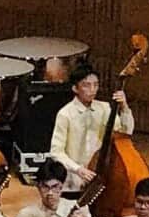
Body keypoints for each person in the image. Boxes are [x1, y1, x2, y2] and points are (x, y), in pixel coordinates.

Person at [49, 64, 134, 193]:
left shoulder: (104, 108)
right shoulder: (65, 114)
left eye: (96, 85)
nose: (92, 90)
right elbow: (56, 152)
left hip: (102, 173)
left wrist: (124, 107)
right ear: (75, 88)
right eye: (86, 85)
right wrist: (78, 169)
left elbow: (125, 133)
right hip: (74, 177)